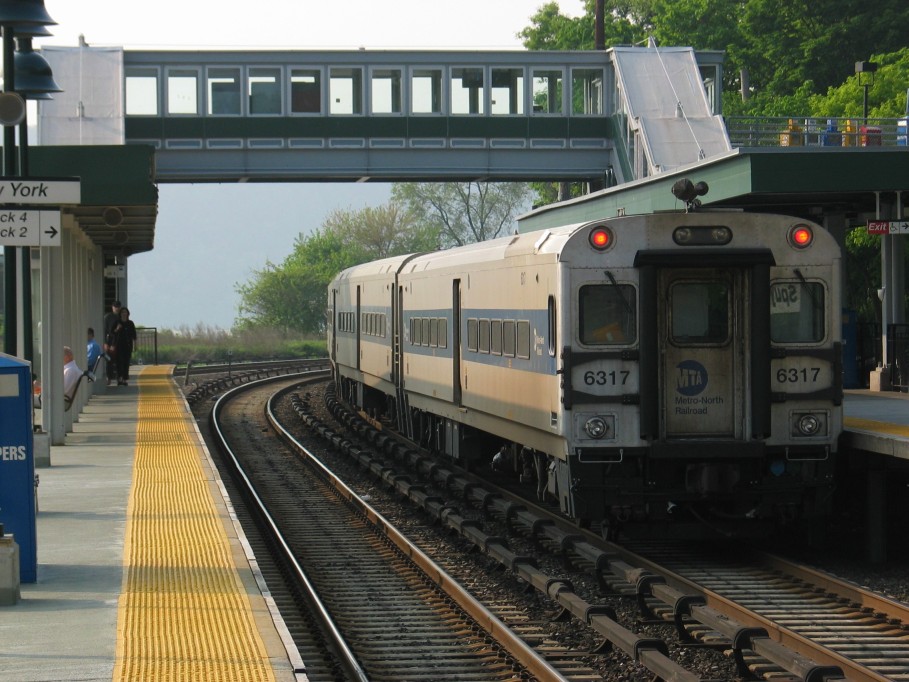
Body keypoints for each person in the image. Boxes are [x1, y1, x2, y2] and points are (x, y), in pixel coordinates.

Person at [110, 306, 137, 386]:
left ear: (128, 314)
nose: (124, 314)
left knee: (126, 362)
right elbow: (112, 333)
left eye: (125, 312)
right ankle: (119, 378)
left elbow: (134, 336)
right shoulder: (117, 322)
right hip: (118, 345)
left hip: (128, 345)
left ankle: (125, 379)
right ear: (120, 314)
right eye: (122, 312)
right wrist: (117, 329)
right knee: (119, 362)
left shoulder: (130, 323)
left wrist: (135, 346)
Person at [103, 300, 122, 385]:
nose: (117, 308)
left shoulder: (122, 317)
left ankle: (119, 378)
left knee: (119, 361)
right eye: (115, 306)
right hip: (110, 341)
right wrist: (105, 343)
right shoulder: (107, 317)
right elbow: (105, 330)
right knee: (109, 361)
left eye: (118, 307)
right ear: (112, 307)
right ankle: (109, 378)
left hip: (119, 342)